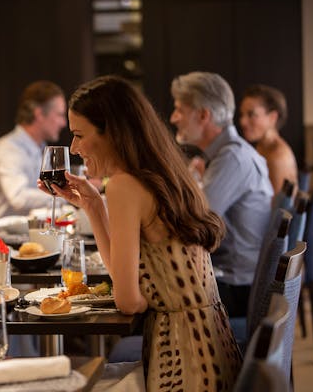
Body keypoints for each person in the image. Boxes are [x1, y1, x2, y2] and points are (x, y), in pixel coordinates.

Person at [46, 75, 242, 390]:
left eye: (79, 135)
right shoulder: (164, 172)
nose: (74, 147)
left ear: (112, 133)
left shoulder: (125, 184)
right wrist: (95, 207)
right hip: (211, 347)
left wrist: (101, 204)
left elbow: (129, 302)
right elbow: (128, 284)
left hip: (184, 363)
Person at [170, 71, 273, 317]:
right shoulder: (226, 155)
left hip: (235, 289)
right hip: (234, 279)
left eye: (179, 110)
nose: (173, 118)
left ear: (204, 115)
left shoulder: (232, 158)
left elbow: (194, 224)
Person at [0, 80, 67, 224]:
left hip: (28, 233)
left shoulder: (41, 147)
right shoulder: (8, 149)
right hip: (0, 238)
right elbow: (18, 197)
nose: (64, 123)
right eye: (60, 115)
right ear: (39, 114)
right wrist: (66, 195)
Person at [239, 84, 298, 194]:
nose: (243, 122)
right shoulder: (262, 146)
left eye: (251, 114)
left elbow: (278, 209)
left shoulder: (278, 157)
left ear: (273, 117)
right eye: (242, 114)